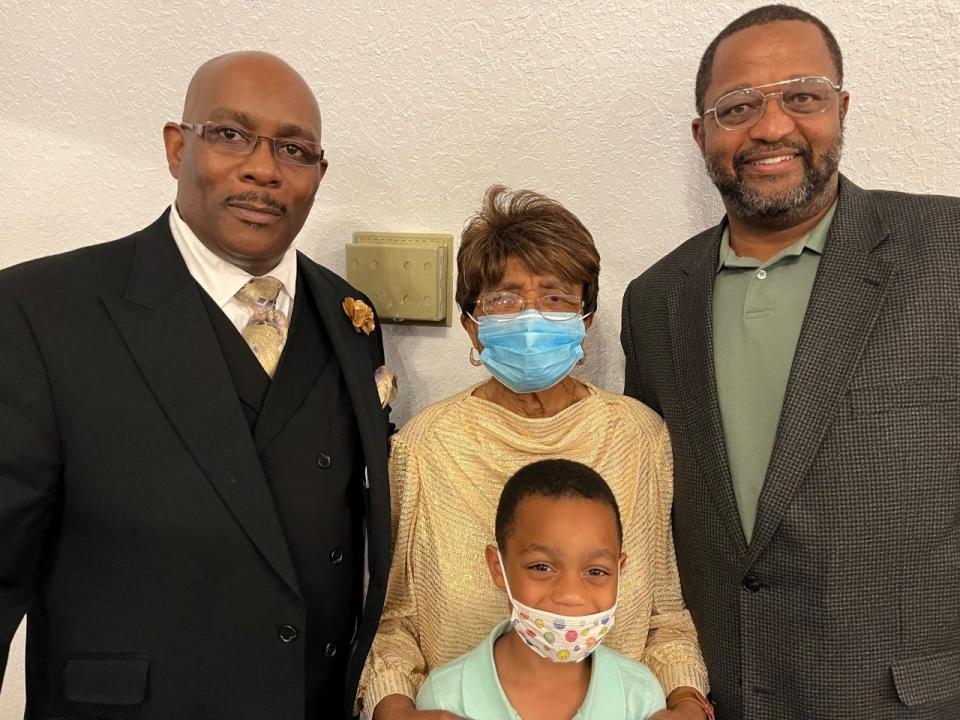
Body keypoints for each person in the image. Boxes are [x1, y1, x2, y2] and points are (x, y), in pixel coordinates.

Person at [0, 52, 392, 719]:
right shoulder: (38, 311)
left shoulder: (350, 316)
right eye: (230, 135)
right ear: (177, 146)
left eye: (293, 149)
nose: (263, 169)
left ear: (318, 174)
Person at [621, 5, 960, 718]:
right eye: (737, 106)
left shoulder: (947, 251)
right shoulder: (653, 303)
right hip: (719, 698)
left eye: (802, 96)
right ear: (701, 134)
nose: (772, 127)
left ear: (841, 107)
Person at [359, 185, 711, 720]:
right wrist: (395, 707)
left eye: (555, 297)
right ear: (472, 326)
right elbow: (393, 619)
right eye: (503, 298)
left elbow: (666, 613)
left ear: (586, 318)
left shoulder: (638, 438)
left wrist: (686, 700)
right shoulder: (424, 447)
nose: (529, 319)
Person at [416, 459, 668, 719]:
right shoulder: (444, 698)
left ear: (619, 569)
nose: (571, 595)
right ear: (497, 568)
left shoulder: (640, 697)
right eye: (541, 567)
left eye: (596, 571)